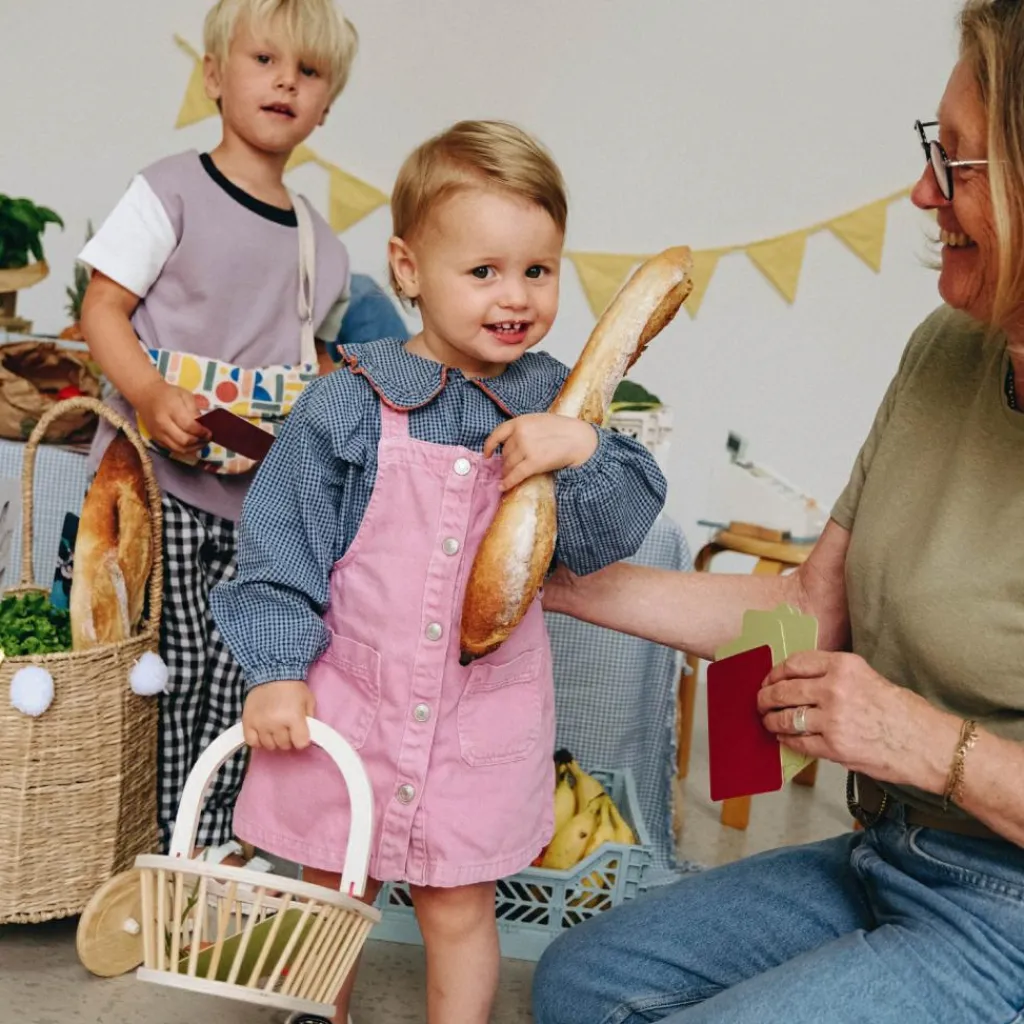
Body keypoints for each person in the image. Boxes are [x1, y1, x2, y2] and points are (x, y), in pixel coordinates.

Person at [530, 2, 1024, 1022]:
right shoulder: (944, 351)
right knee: (579, 984)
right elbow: (804, 603)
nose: (924, 191)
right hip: (892, 853)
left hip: (1009, 910)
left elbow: (927, 741)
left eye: (961, 165)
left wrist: (931, 745)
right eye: (934, 150)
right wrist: (545, 575)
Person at [210, 119, 667, 1024]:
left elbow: (606, 533)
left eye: (538, 271)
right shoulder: (347, 404)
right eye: (484, 271)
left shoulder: (558, 402)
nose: (516, 296)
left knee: (458, 904)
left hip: (476, 723)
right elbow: (279, 547)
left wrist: (578, 448)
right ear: (409, 270)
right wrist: (273, 674)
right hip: (346, 711)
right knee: (327, 890)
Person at [78, 0, 358, 856]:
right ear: (213, 76)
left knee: (240, 672)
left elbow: (309, 363)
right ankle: (149, 848)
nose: (285, 81)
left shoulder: (323, 245)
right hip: (154, 493)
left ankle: (214, 845)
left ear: (326, 103)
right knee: (154, 671)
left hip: (255, 507)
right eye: (265, 60)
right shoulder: (168, 190)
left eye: (308, 72)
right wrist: (149, 392)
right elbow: (104, 309)